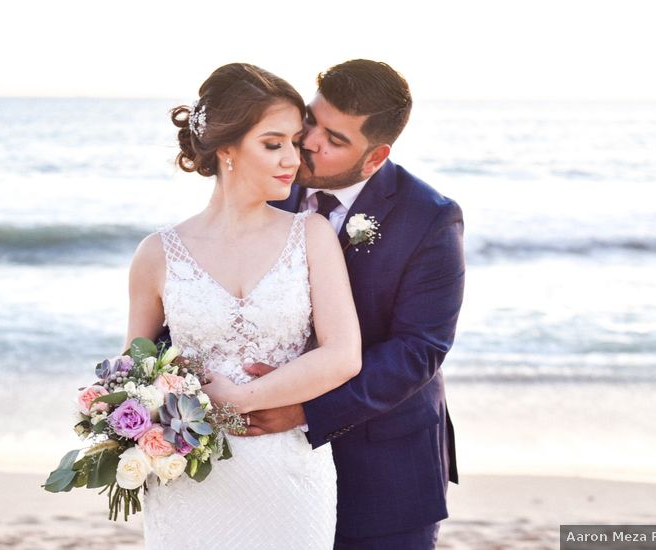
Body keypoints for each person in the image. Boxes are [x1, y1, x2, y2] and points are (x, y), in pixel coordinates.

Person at [123, 63, 361, 549]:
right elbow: (134, 373)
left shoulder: (311, 235)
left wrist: (245, 399)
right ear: (226, 149)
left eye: (296, 142)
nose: (292, 159)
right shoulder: (157, 253)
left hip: (290, 473)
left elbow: (343, 355)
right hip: (189, 478)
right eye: (273, 144)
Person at [249, 59, 466, 549]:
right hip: (269, 463)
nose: (308, 142)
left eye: (336, 139)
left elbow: (419, 350)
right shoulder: (265, 188)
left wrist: (307, 408)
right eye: (312, 120)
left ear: (375, 156)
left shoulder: (430, 219)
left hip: (385, 470)